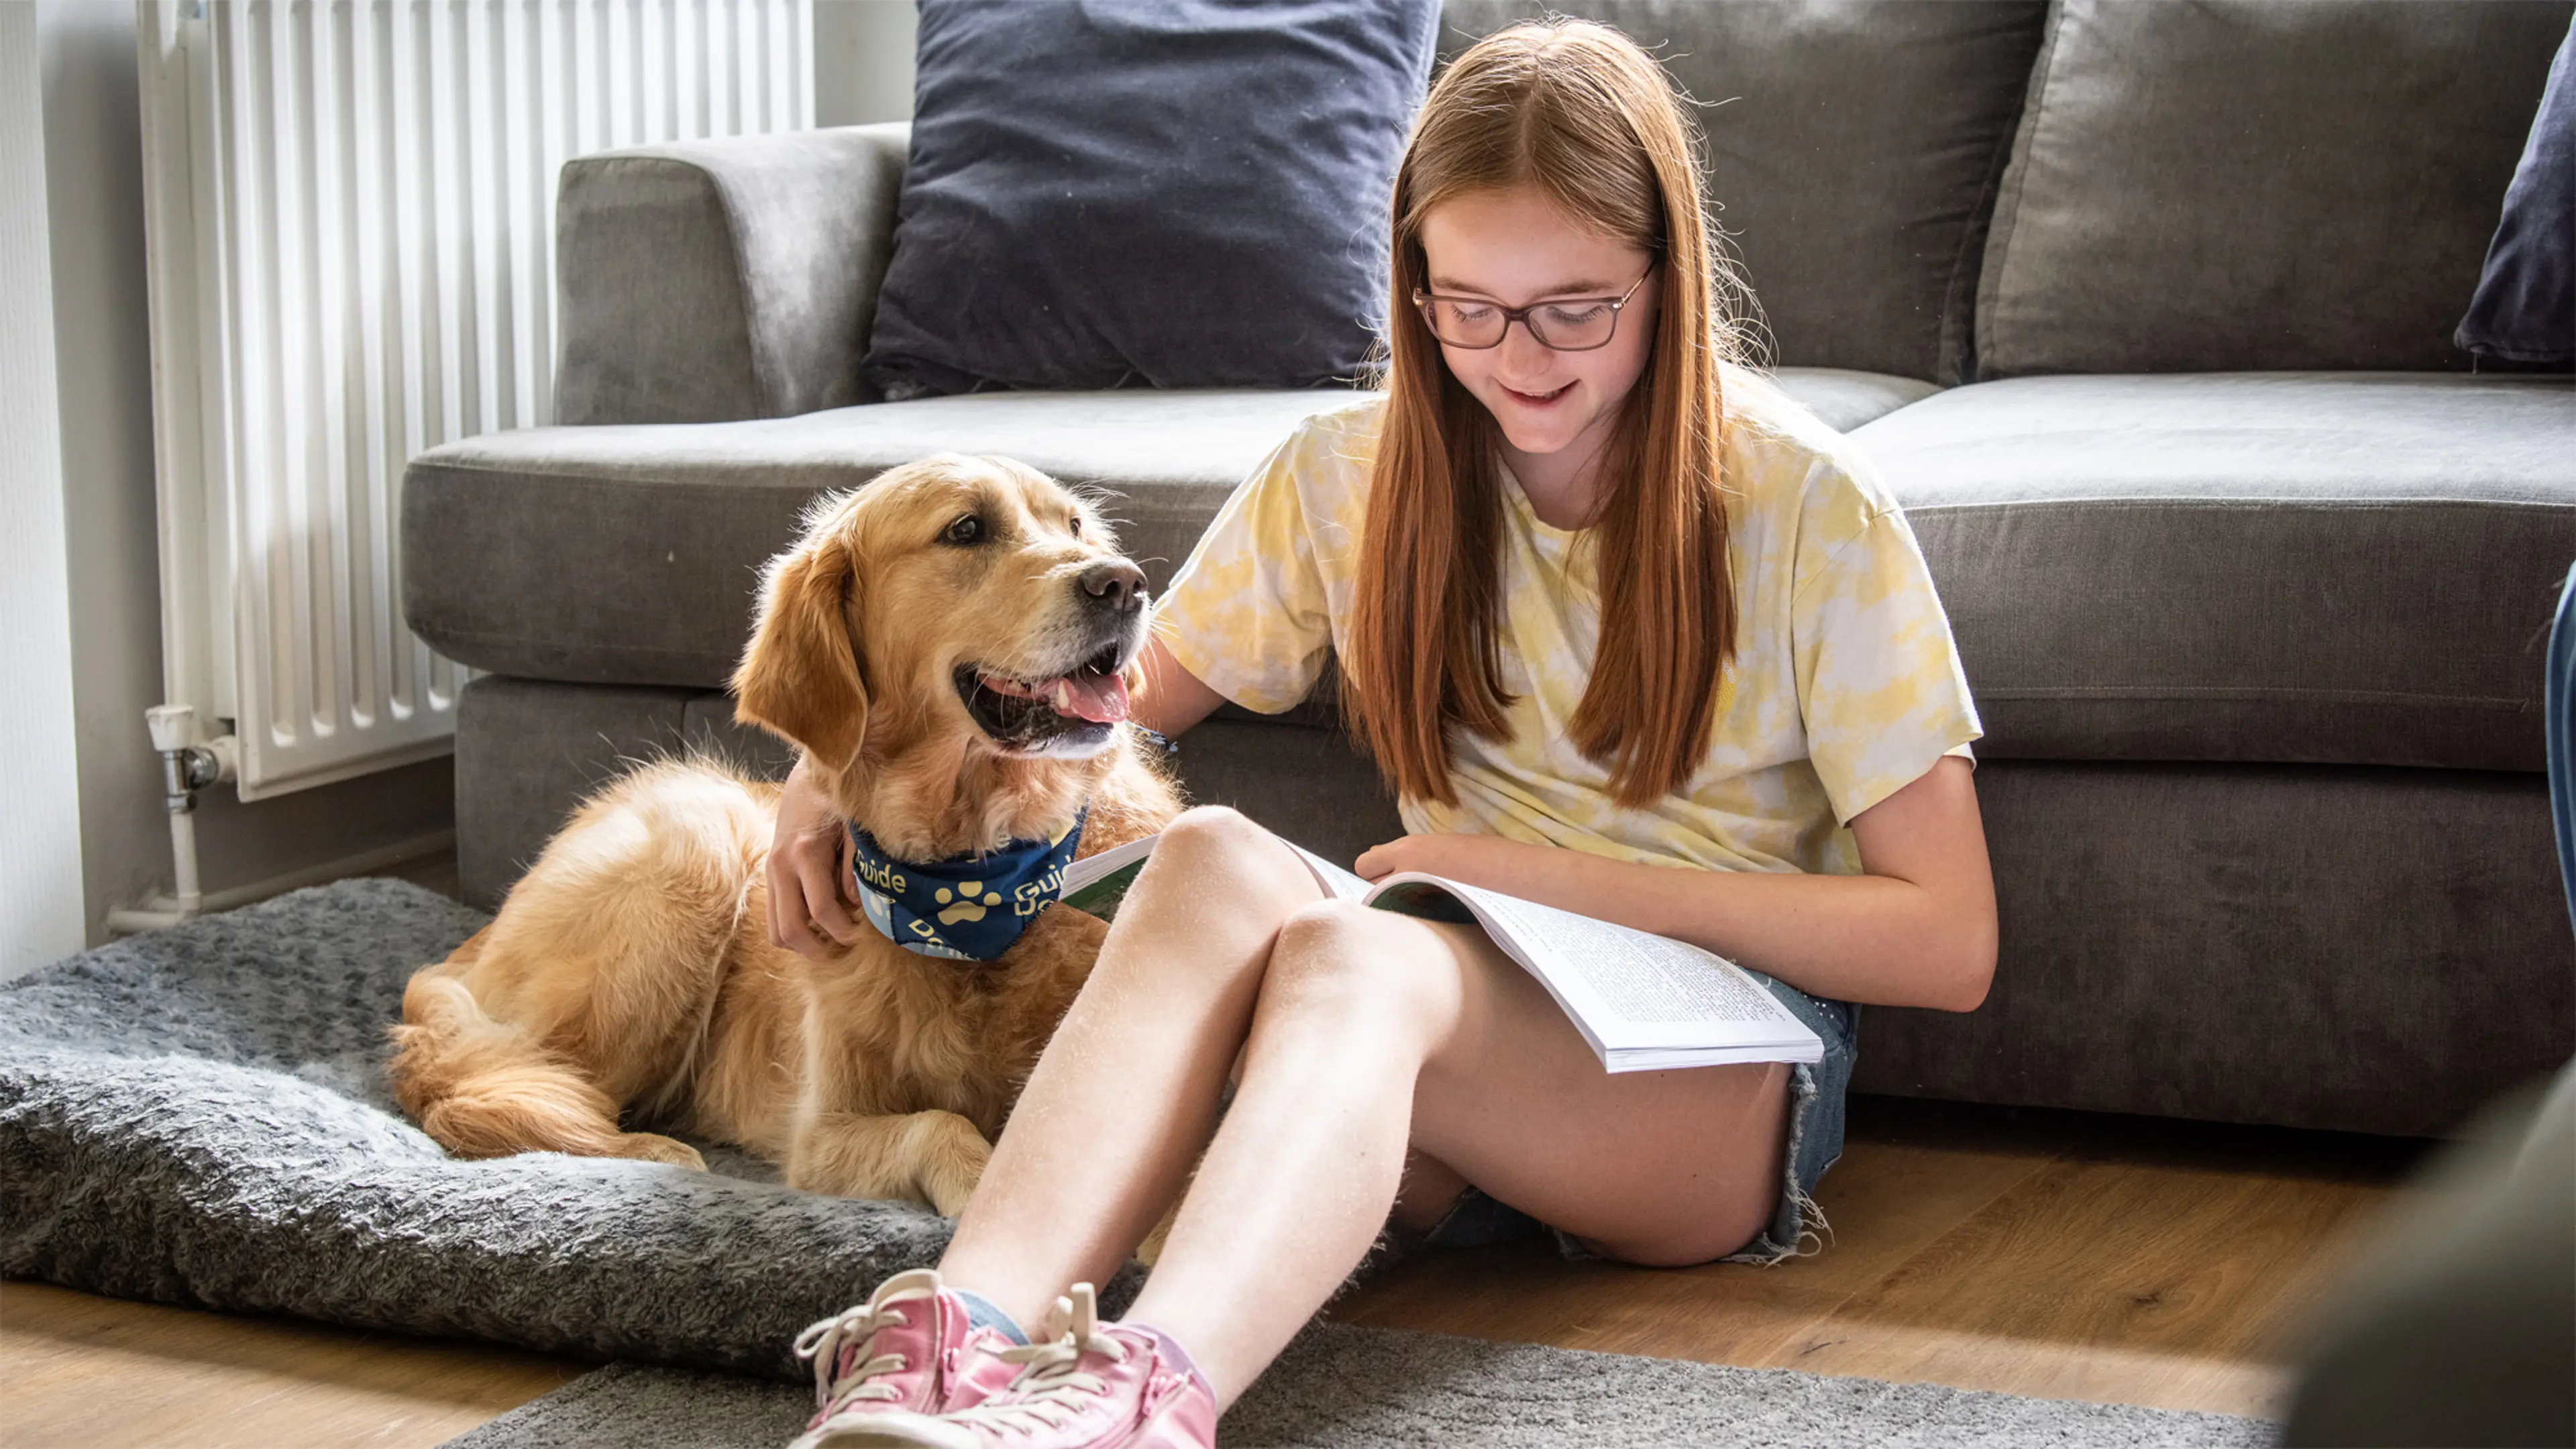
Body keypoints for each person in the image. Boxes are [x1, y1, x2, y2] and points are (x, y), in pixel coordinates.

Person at [763, 19, 1994, 1449]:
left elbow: (1948, 940)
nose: (1517, 357)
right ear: (1411, 285)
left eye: (1575, 306)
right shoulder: (1347, 477)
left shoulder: (1805, 507)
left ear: (1670, 276)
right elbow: (1086, 696)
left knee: (1363, 952)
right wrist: (817, 767)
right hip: (1445, 1032)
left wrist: (1537, 884)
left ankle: (1138, 1402)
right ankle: (946, 1348)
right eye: (1465, 305)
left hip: (1706, 1078)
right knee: (1214, 854)